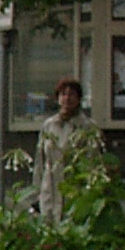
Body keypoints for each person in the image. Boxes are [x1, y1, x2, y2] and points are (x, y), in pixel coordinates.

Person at [32, 76, 96, 222]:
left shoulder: (87, 127)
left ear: (79, 98)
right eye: (63, 94)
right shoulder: (49, 125)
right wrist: (36, 193)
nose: (67, 98)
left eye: (72, 94)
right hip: (49, 189)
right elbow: (40, 161)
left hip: (74, 190)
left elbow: (93, 160)